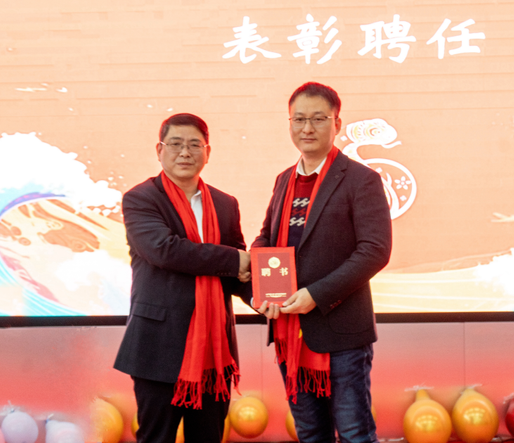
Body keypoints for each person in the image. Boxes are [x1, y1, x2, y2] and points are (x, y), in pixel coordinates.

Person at [252, 82, 392, 443]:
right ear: (290, 123)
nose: (307, 128)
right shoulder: (284, 180)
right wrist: (260, 287)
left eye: (318, 119)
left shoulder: (361, 180)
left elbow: (375, 251)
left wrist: (316, 294)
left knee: (355, 433)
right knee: (311, 433)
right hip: (289, 331)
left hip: (342, 333)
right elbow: (266, 238)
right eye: (299, 119)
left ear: (337, 123)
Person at [114, 113, 251, 443]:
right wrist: (235, 260)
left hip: (214, 352)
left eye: (194, 145)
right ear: (159, 150)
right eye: (175, 144)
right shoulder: (141, 199)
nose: (185, 152)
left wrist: (268, 296)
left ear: (207, 152)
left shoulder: (225, 204)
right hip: (158, 346)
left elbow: (237, 273)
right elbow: (166, 251)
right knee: (156, 437)